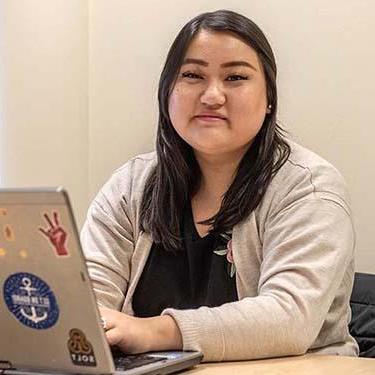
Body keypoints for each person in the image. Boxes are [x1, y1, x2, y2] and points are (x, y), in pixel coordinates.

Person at [81, 9, 359, 361]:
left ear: (270, 97)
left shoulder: (309, 187)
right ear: (167, 91)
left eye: (235, 78)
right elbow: (87, 303)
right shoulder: (130, 186)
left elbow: (289, 318)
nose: (212, 95)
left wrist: (153, 331)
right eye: (193, 75)